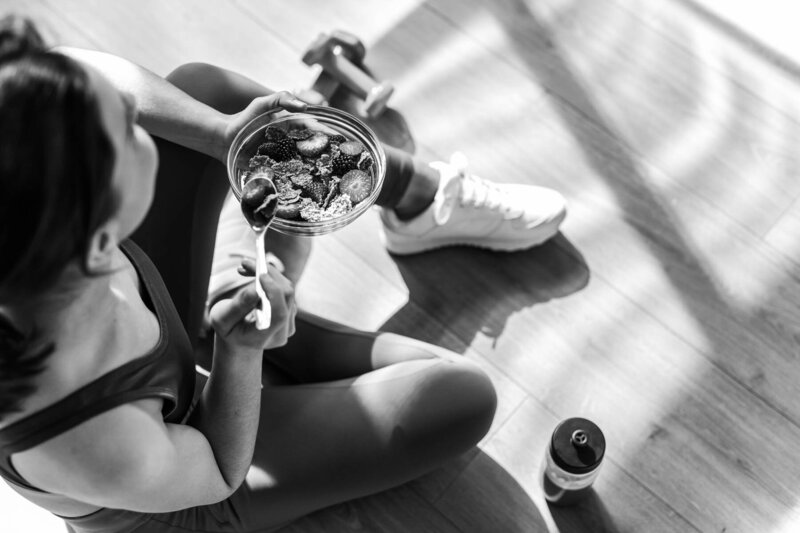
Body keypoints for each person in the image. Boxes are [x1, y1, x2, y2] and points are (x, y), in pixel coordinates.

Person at [0, 13, 560, 533]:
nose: (133, 120)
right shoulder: (92, 441)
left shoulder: (41, 242)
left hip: (144, 324)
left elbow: (84, 72)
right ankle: (236, 317)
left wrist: (221, 132)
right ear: (103, 238)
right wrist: (241, 352)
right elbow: (219, 469)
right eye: (124, 132)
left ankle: (412, 202)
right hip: (193, 474)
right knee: (459, 394)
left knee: (207, 95)